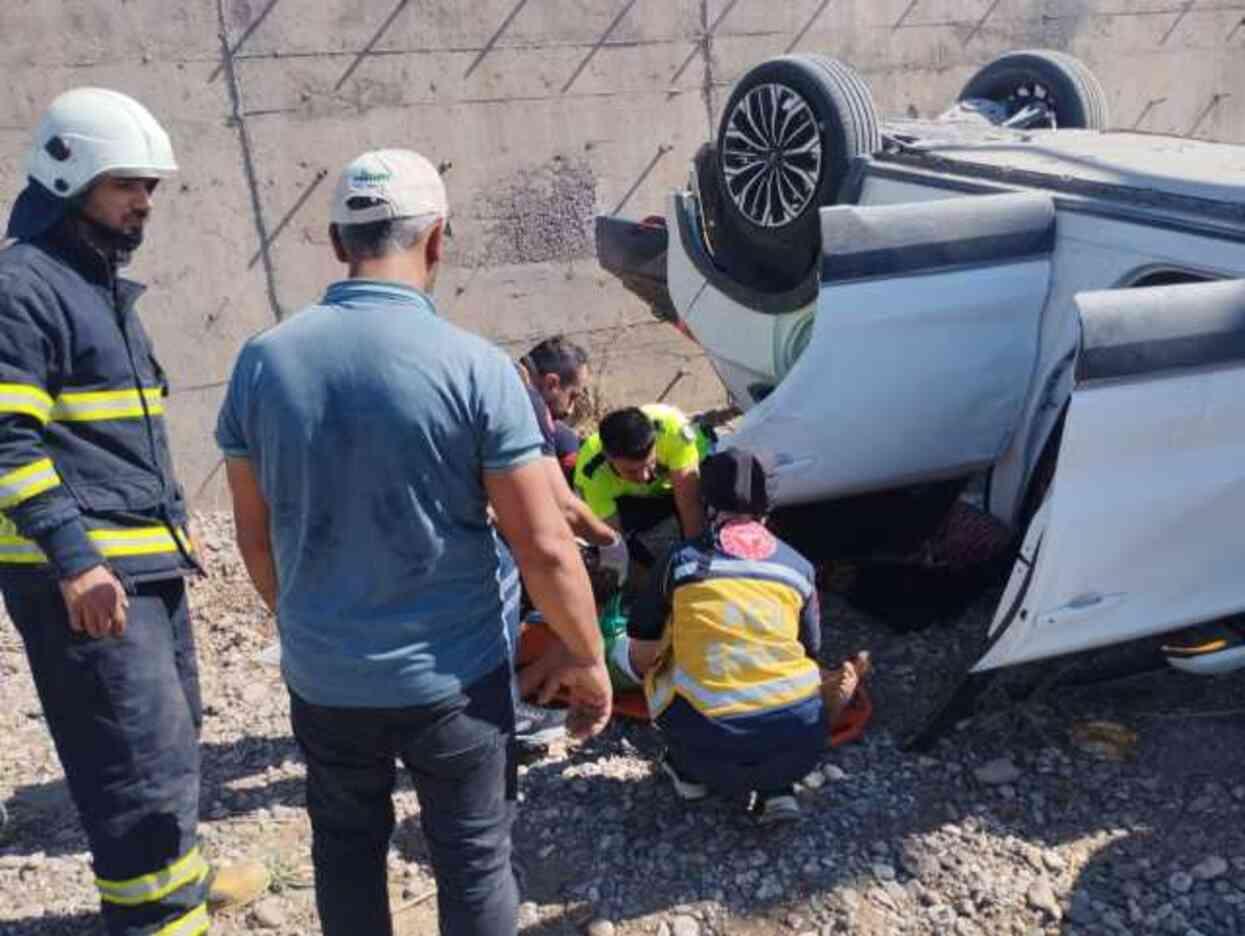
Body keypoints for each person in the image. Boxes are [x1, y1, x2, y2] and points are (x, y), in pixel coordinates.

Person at [216, 148, 612, 936]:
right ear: (437, 239)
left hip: (325, 678)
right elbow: (541, 544)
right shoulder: (474, 367)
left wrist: (305, 626)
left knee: (347, 850)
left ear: (337, 243)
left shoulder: (262, 362)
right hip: (453, 683)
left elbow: (255, 537)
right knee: (472, 859)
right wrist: (589, 658)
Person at [0, 87, 269, 936]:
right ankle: (156, 919)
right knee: (128, 752)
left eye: (150, 186)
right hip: (85, 570)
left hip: (142, 559)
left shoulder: (95, 286)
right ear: (67, 174)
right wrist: (75, 559)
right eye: (127, 185)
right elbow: (6, 440)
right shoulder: (23, 287)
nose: (144, 202)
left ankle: (177, 881)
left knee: (171, 732)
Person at [610, 448, 868, 823]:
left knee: (662, 655)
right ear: (767, 505)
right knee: (786, 671)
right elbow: (810, 648)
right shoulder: (798, 566)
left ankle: (688, 774)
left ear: (706, 504)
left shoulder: (681, 561)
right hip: (802, 748)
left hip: (708, 751)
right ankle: (776, 791)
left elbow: (641, 635)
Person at [573, 403, 710, 562]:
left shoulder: (673, 431)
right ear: (608, 457)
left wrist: (696, 560)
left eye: (650, 463)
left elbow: (690, 505)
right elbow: (615, 540)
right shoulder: (590, 474)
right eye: (632, 471)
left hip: (687, 476)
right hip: (638, 500)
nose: (644, 476)